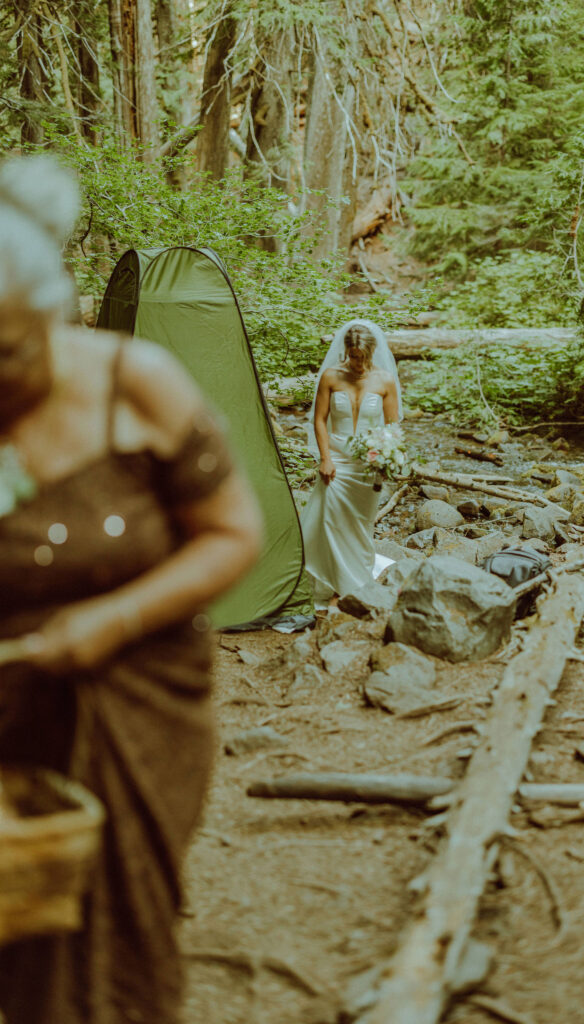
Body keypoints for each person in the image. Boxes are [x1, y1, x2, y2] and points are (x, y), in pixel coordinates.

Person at [0, 155, 262, 1024]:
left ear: (52, 313)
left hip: (135, 697)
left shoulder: (134, 383)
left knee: (110, 931)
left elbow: (234, 535)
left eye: (5, 351)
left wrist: (110, 620)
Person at [300, 319, 402, 606]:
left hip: (369, 464)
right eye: (354, 357)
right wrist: (325, 458)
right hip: (337, 461)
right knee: (331, 521)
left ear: (372, 353)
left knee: (360, 523)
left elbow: (392, 427)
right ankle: (336, 584)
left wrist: (386, 459)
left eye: (364, 357)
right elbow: (319, 420)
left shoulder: (384, 380)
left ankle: (358, 577)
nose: (358, 363)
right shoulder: (331, 377)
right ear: (346, 352)